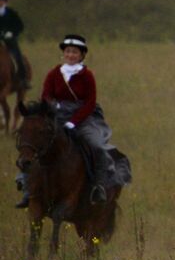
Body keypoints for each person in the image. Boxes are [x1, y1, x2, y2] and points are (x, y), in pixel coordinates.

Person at [17, 35, 132, 208]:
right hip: (57, 115)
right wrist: (52, 107)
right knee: (34, 142)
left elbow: (90, 103)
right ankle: (27, 185)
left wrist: (74, 122)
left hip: (84, 118)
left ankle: (99, 186)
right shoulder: (54, 73)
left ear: (81, 55)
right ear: (64, 53)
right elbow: (46, 96)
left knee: (97, 146)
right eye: (68, 51)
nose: (71, 55)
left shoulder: (87, 75)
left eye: (75, 52)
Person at [0, 0, 29, 90]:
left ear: (5, 1)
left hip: (9, 41)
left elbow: (20, 26)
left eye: (2, 0)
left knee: (17, 57)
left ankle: (22, 79)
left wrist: (12, 33)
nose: (0, 2)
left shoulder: (11, 13)